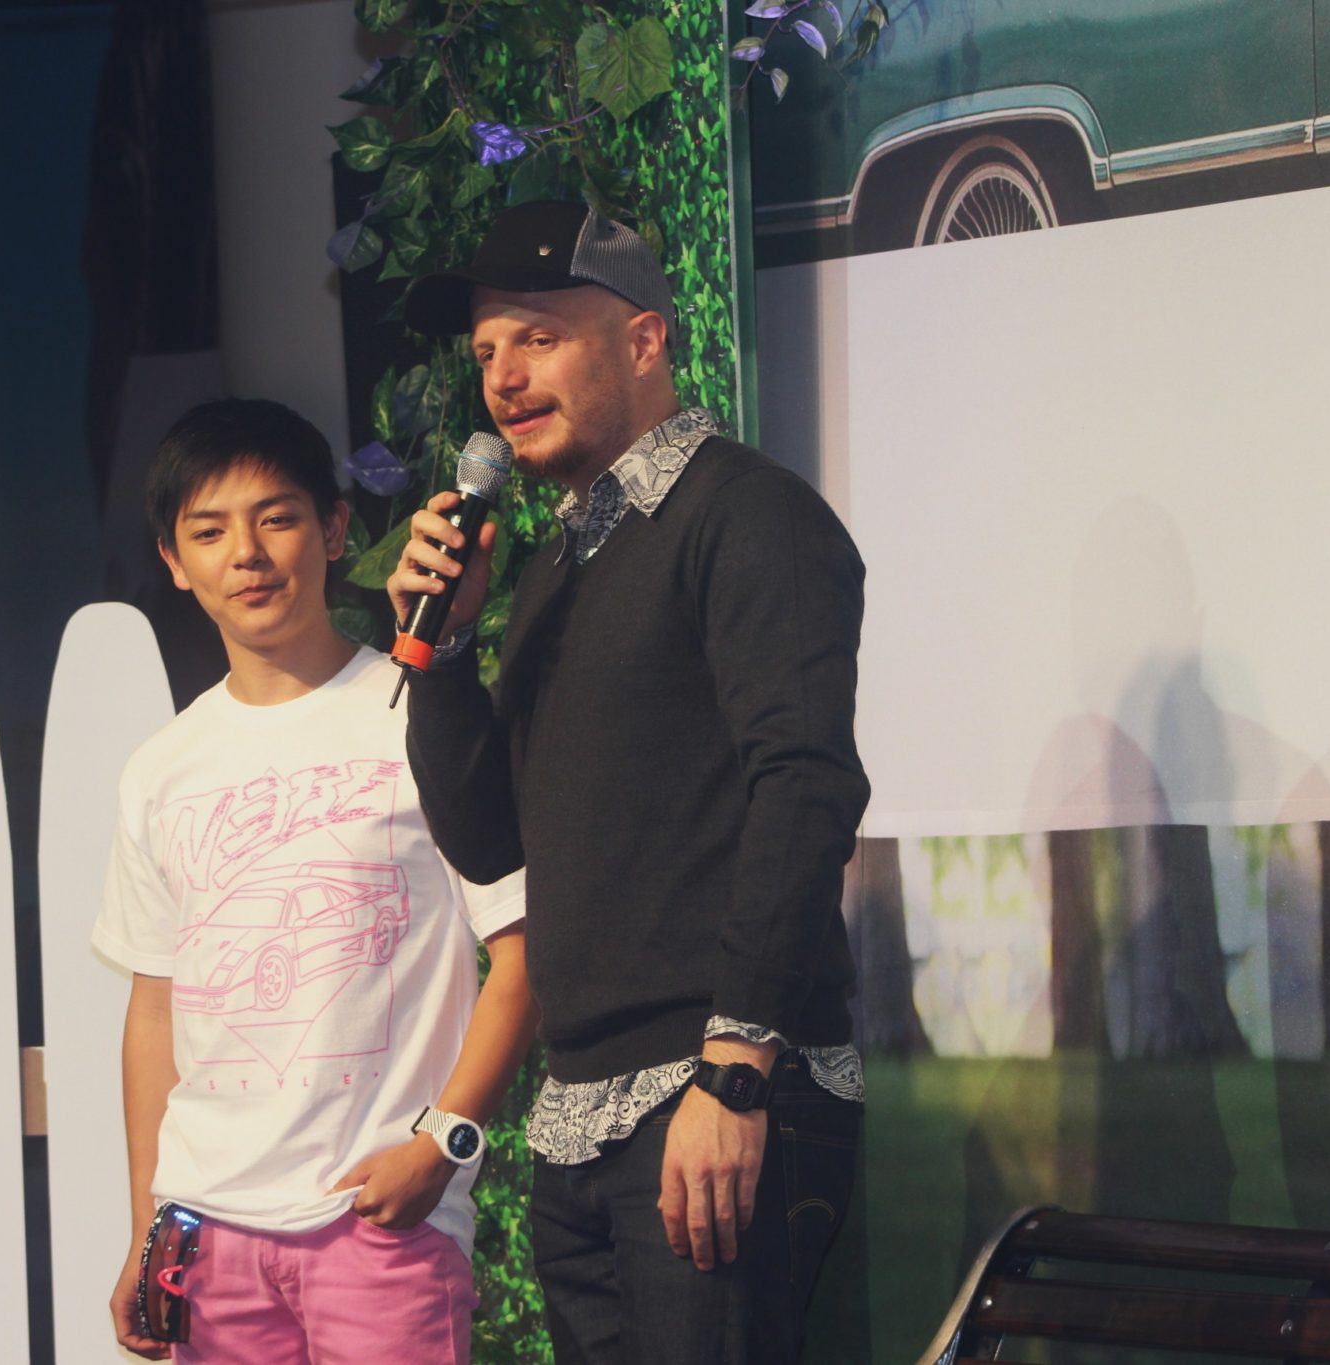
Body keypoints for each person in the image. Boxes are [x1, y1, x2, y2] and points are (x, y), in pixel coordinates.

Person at [387, 201, 871, 1364]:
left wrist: (735, 1074)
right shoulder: (557, 562)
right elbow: (491, 842)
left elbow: (804, 785)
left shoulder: (745, 513)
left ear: (643, 340)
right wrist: (444, 648)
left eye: (538, 338)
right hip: (581, 1111)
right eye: (486, 352)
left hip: (715, 1083)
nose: (504, 378)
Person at [94, 398, 534, 1362]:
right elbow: (156, 1007)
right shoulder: (161, 769)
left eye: (277, 517)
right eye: (210, 531)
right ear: (174, 561)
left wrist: (442, 1144)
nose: (247, 554)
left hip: (379, 1223)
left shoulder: (421, 715)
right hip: (207, 1232)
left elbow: (523, 948)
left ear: (334, 530)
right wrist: (145, 1226)